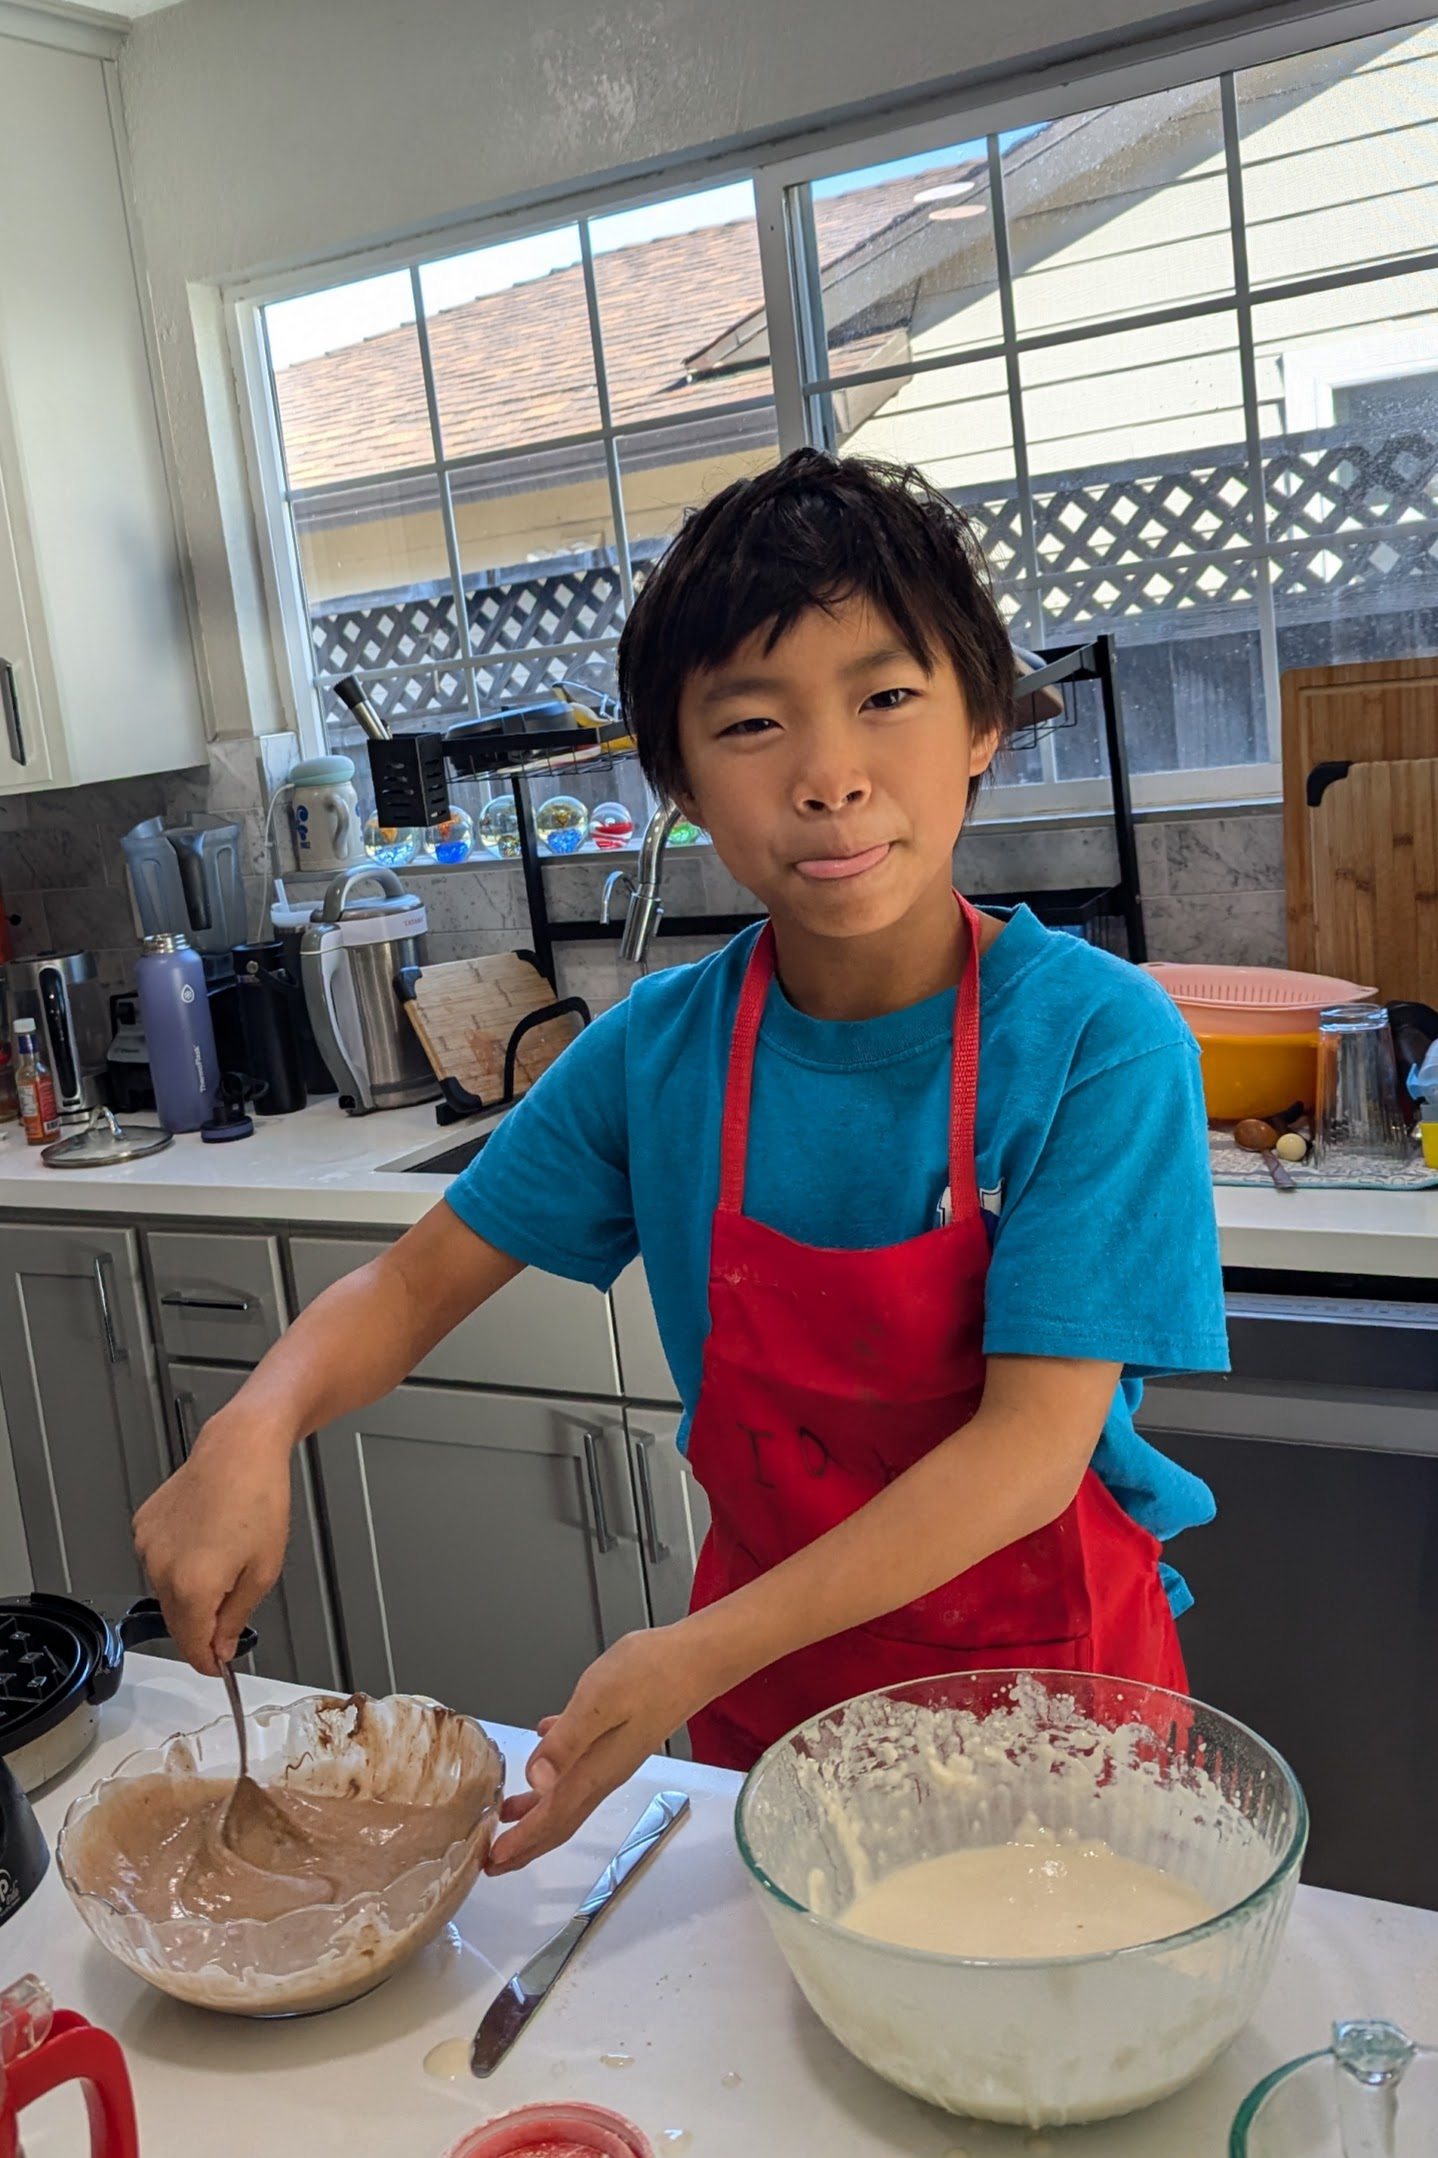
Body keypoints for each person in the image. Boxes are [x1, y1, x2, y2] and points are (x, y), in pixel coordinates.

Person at [134, 449, 1227, 1874]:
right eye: (753, 723)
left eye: (886, 698)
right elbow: (406, 1291)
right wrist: (252, 1423)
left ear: (979, 722)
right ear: (681, 781)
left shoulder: (1097, 1041)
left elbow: (1028, 1453)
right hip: (779, 1712)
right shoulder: (658, 1053)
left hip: (1048, 1717)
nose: (830, 778)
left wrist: (689, 1654)